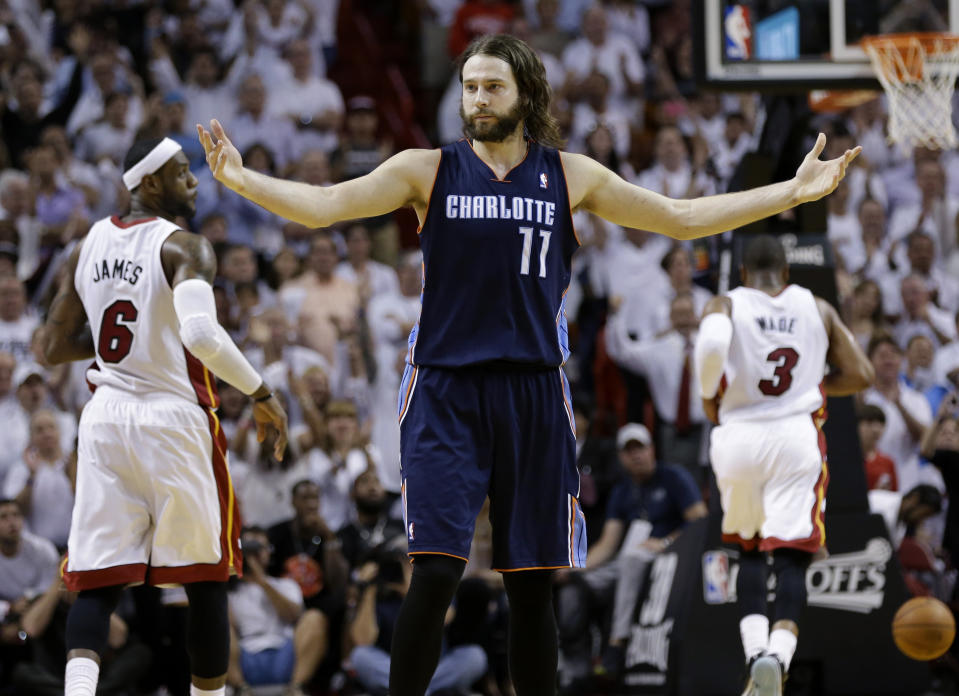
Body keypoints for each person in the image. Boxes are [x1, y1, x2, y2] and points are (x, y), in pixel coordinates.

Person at [199, 34, 859, 696]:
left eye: (492, 87)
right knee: (432, 572)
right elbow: (324, 205)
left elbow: (680, 218)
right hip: (444, 389)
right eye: (469, 87)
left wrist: (788, 195)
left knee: (531, 583)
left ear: (525, 94)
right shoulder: (425, 168)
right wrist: (240, 178)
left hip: (535, 391)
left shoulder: (570, 175)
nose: (477, 99)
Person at [39, 136, 289, 696]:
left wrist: (120, 344)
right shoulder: (186, 246)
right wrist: (262, 391)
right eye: (183, 173)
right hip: (172, 420)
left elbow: (50, 348)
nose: (195, 181)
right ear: (149, 184)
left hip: (104, 420)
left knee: (98, 583)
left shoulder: (86, 246)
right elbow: (202, 334)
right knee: (206, 578)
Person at [694, 234, 874, 696]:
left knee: (750, 549)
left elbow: (711, 348)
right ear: (787, 273)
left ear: (743, 275)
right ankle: (779, 656)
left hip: (738, 437)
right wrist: (813, 382)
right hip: (795, 437)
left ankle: (754, 655)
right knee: (792, 554)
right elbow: (861, 374)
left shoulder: (726, 303)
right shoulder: (817, 306)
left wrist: (708, 395)